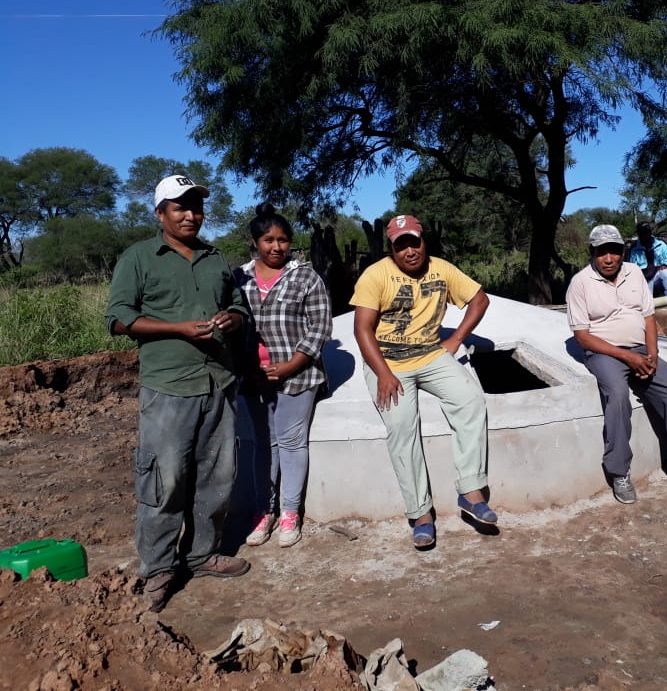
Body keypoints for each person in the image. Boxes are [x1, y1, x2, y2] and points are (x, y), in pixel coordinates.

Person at [105, 174, 251, 613]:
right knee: (164, 481)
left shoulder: (215, 257)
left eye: (196, 207)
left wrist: (233, 319)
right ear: (160, 214)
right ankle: (158, 569)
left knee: (217, 477)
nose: (191, 215)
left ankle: (202, 555)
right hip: (169, 387)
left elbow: (240, 304)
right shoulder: (138, 258)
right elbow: (118, 319)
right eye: (180, 207)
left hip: (219, 383)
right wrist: (176, 329)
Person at [350, 214, 495, 549]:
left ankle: (471, 492)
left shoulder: (441, 269)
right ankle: (420, 514)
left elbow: (480, 299)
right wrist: (383, 373)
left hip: (430, 353)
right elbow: (361, 329)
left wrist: (456, 339)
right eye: (401, 245)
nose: (410, 251)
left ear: (423, 241)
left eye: (414, 242)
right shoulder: (375, 275)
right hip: (386, 359)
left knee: (470, 400)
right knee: (402, 426)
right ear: (392, 248)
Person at [566, 224, 667, 505]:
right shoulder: (580, 283)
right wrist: (628, 357)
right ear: (592, 253)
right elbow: (583, 337)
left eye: (614, 251)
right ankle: (619, 472)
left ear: (622, 252)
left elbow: (648, 316)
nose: (609, 258)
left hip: (642, 348)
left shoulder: (634, 272)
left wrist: (652, 354)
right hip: (604, 352)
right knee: (618, 396)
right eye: (601, 252)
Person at [235, 204, 333, 549]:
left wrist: (292, 364)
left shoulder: (305, 277)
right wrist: (248, 367)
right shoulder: (239, 278)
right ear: (255, 242)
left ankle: (290, 512)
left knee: (291, 443)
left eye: (283, 240)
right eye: (268, 240)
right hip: (252, 377)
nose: (276, 247)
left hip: (297, 376)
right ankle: (265, 511)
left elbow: (321, 326)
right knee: (264, 445)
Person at [629, 221, 667, 297]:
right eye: (642, 232)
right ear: (639, 234)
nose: (645, 235)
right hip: (644, 278)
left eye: (647, 232)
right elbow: (631, 267)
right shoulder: (633, 249)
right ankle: (649, 304)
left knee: (666, 273)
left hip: (657, 275)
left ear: (650, 232)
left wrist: (665, 265)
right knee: (648, 291)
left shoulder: (661, 244)